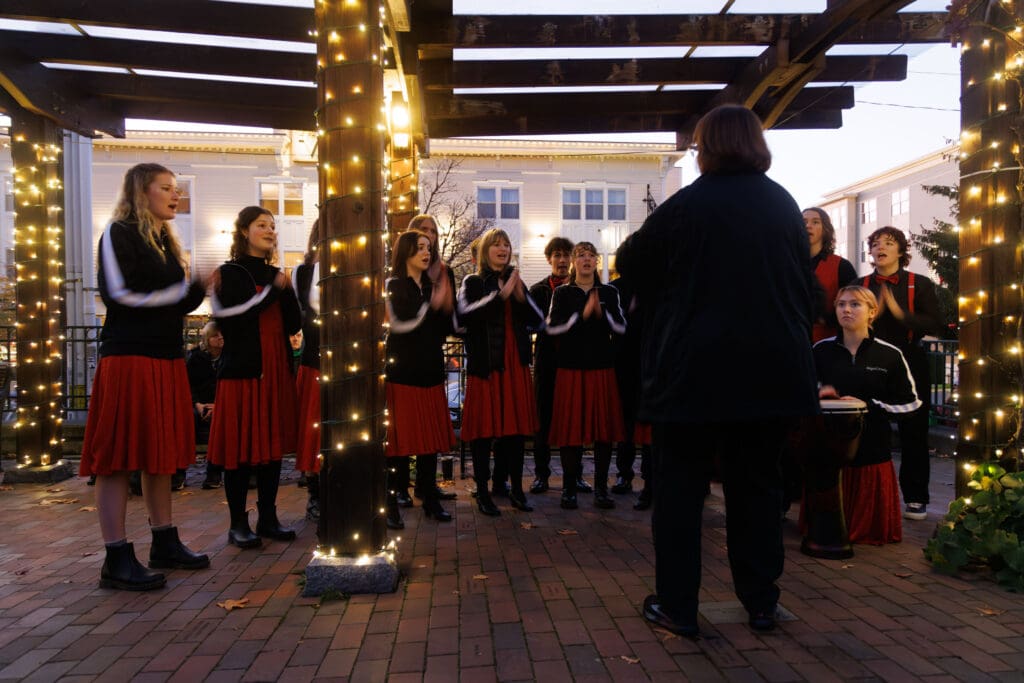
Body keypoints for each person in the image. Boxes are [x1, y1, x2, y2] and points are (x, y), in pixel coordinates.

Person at [616, 105, 818, 637]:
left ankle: (678, 606)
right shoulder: (783, 206)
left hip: (693, 376)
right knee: (757, 489)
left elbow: (630, 264)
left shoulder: (688, 206)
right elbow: (808, 292)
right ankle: (761, 603)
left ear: (707, 147)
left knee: (679, 491)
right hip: (770, 374)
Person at [80, 162, 209, 591]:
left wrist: (193, 294)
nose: (176, 195)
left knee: (160, 455)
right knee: (117, 458)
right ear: (142, 191)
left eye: (177, 188)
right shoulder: (118, 233)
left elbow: (168, 303)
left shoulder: (167, 243)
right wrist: (183, 291)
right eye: (166, 188)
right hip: (129, 357)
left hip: (165, 357)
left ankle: (164, 542)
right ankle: (115, 557)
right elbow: (116, 294)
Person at [208, 206, 302, 549]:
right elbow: (233, 319)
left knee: (271, 448)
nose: (270, 230)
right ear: (244, 231)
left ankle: (268, 517)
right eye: (262, 225)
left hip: (275, 366)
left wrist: (286, 291)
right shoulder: (229, 272)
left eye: (273, 226)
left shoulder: (277, 275)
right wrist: (274, 290)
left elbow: (293, 325)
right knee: (240, 448)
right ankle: (237, 523)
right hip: (243, 369)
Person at [814, 286, 921, 545]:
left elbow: (911, 403)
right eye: (841, 304)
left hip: (873, 450)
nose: (846, 310)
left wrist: (869, 405)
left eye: (855, 304)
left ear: (872, 312)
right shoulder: (819, 351)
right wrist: (820, 393)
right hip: (828, 450)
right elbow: (801, 390)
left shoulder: (891, 354)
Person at [457, 228, 545, 516]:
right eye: (496, 244)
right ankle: (483, 492)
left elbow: (539, 321)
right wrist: (499, 296)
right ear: (485, 251)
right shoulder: (472, 281)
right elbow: (464, 316)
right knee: (483, 433)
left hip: (515, 365)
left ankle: (515, 488)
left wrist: (518, 295)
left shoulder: (515, 281)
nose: (502, 248)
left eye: (506, 244)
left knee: (516, 433)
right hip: (486, 366)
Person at [860, 226, 942, 521]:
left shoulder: (918, 283)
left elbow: (934, 323)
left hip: (909, 359)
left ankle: (916, 497)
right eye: (875, 243)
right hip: (870, 359)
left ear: (901, 251)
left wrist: (898, 312)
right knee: (869, 428)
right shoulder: (861, 283)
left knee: (914, 430)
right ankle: (871, 498)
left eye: (888, 243)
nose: (880, 247)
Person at [384, 230, 457, 527]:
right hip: (402, 371)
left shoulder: (432, 285)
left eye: (428, 247)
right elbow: (400, 324)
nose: (426, 253)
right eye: (419, 248)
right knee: (397, 444)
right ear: (406, 253)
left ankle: (429, 497)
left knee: (429, 443)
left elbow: (445, 328)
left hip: (429, 370)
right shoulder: (393, 285)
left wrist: (445, 305)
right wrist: (432, 305)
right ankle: (389, 501)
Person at [546, 241, 626, 509]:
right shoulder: (563, 293)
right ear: (574, 262)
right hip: (570, 369)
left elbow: (622, 327)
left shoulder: (609, 292)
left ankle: (601, 489)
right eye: (582, 255)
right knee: (571, 431)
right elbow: (552, 328)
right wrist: (582, 315)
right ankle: (569, 488)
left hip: (601, 368)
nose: (587, 260)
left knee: (603, 432)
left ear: (597, 262)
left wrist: (601, 314)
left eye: (592, 255)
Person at [527, 237, 595, 496]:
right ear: (549, 259)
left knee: (574, 419)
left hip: (574, 363)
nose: (563, 260)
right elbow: (532, 324)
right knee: (542, 420)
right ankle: (541, 475)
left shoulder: (582, 288)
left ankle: (575, 476)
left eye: (567, 255)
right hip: (546, 362)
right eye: (557, 255)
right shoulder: (539, 290)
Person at [403, 214, 459, 506]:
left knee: (430, 428)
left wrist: (446, 306)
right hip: (404, 359)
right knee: (402, 427)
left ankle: (426, 485)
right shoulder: (400, 276)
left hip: (431, 354)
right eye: (422, 231)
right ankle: (399, 488)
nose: (429, 237)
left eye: (433, 232)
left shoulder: (443, 271)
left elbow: (450, 320)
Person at [610, 274, 653, 509]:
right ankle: (624, 474)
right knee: (625, 421)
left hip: (650, 363)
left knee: (648, 424)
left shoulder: (655, 285)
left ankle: (650, 481)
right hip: (624, 363)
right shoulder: (614, 289)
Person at [292, 220, 322, 521]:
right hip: (316, 361)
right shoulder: (301, 273)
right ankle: (316, 493)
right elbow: (314, 302)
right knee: (316, 432)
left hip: (350, 363)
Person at [804, 207, 857, 343]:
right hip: (793, 342)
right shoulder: (787, 264)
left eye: (815, 222)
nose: (808, 225)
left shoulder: (842, 266)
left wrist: (824, 319)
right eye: (803, 222)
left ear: (825, 229)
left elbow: (855, 305)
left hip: (829, 343)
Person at [186, 321, 224, 489]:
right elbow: (189, 385)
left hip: (221, 403)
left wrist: (218, 404)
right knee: (187, 419)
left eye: (222, 335)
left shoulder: (227, 357)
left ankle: (213, 473)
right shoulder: (196, 358)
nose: (220, 338)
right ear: (207, 339)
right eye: (216, 336)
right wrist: (198, 404)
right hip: (200, 403)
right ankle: (179, 472)